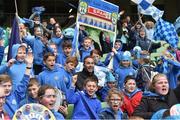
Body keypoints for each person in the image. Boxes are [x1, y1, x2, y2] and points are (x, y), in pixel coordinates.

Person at [1, 52, 33, 118]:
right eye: (4, 86)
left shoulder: (15, 96)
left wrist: (29, 65)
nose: (7, 88)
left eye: (9, 86)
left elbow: (24, 83)